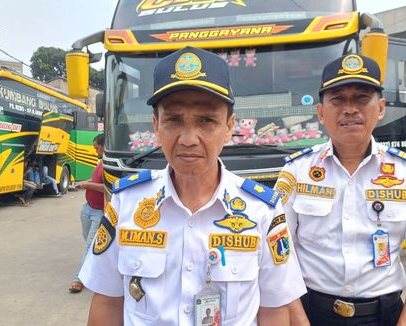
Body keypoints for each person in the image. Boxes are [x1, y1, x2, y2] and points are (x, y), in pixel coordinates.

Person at [78, 46, 307, 325]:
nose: (188, 139)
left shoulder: (263, 210)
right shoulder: (127, 203)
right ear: (156, 125)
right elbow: (107, 300)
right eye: (174, 120)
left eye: (206, 121)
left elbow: (274, 309)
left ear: (229, 127)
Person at [276, 54, 406, 325]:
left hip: (383, 317)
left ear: (380, 108)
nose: (350, 109)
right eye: (338, 100)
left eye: (361, 98)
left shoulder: (405, 173)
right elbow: (279, 257)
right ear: (321, 112)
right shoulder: (296, 172)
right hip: (311, 314)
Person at [69, 133, 105, 293]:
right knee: (89, 243)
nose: (96, 151)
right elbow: (97, 183)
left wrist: (87, 185)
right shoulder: (100, 163)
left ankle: (79, 279)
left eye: (97, 148)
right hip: (88, 208)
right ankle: (95, 267)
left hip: (98, 212)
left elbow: (108, 188)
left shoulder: (108, 166)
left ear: (105, 146)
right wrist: (86, 183)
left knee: (90, 245)